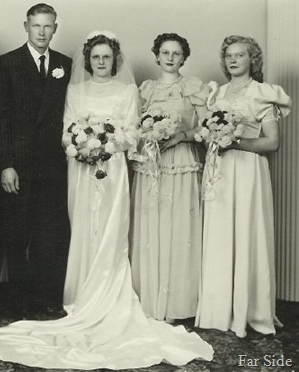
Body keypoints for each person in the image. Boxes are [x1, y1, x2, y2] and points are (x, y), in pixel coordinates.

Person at [0, 31, 213, 370]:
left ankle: (110, 294)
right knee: (81, 228)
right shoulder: (75, 90)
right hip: (81, 170)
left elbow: (134, 131)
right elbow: (65, 130)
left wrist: (109, 144)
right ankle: (79, 294)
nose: (101, 62)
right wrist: (80, 144)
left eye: (107, 57)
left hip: (114, 169)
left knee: (111, 229)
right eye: (96, 57)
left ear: (115, 59)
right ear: (88, 60)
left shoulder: (127, 91)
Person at [195, 35, 291, 338]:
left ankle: (250, 311)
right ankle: (218, 310)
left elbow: (273, 142)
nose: (233, 60)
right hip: (220, 169)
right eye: (229, 56)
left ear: (253, 60)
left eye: (240, 55)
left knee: (247, 232)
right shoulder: (217, 93)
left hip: (248, 169)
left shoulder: (263, 93)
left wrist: (236, 141)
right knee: (221, 234)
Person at [0, 3, 72, 313]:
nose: (41, 32)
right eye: (36, 25)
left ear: (55, 28)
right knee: (16, 234)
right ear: (26, 26)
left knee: (49, 234)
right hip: (19, 165)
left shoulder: (65, 64)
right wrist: (6, 164)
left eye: (47, 26)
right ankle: (18, 301)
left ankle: (46, 298)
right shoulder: (6, 63)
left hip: (52, 165)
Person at [129, 33, 209, 322]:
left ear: (183, 57)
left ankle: (178, 302)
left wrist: (181, 136)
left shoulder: (193, 88)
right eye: (165, 52)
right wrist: (148, 135)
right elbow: (132, 127)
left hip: (182, 162)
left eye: (177, 53)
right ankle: (149, 298)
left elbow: (208, 128)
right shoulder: (146, 90)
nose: (171, 58)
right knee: (151, 226)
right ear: (157, 55)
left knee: (179, 227)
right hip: (151, 165)